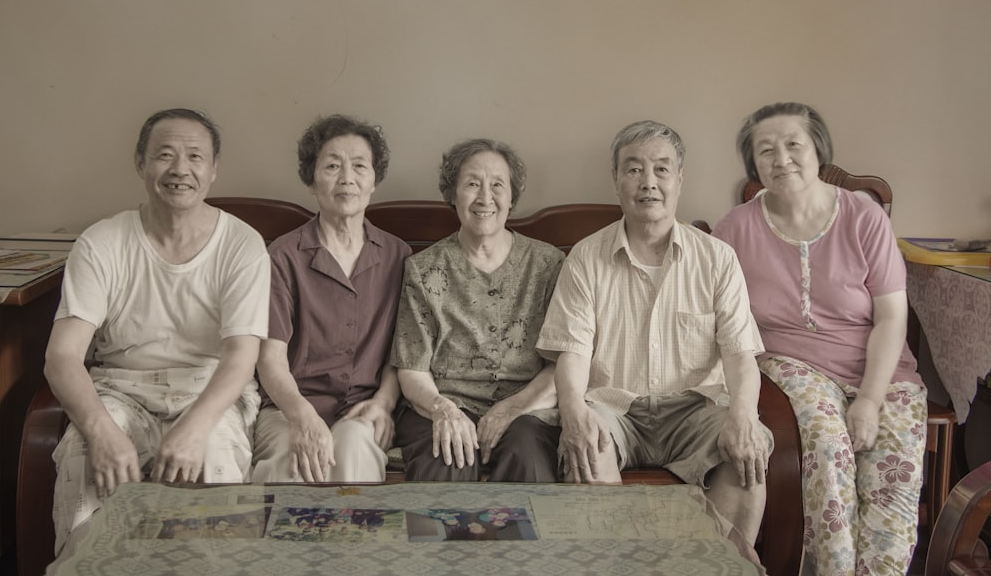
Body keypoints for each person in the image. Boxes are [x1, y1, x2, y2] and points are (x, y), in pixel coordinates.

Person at [44, 108, 270, 557]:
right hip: (119, 391)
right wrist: (101, 430)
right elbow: (63, 357)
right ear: (141, 163)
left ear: (213, 169)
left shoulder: (242, 244)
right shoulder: (102, 241)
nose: (180, 169)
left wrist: (194, 428)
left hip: (207, 393)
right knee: (84, 458)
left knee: (217, 469)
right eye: (164, 155)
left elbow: (241, 357)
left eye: (194, 157)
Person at [713, 102, 926, 575]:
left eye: (794, 144)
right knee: (828, 454)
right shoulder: (735, 229)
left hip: (881, 369)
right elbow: (722, 318)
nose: (781, 158)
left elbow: (892, 317)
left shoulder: (864, 217)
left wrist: (869, 401)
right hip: (792, 363)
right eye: (765, 150)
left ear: (818, 150)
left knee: (894, 481)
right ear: (753, 164)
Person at [535, 120, 771, 546]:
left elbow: (739, 356)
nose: (649, 183)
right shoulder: (586, 258)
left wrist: (744, 416)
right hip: (615, 410)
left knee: (745, 456)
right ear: (616, 180)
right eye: (634, 169)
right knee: (586, 448)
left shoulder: (717, 258)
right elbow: (573, 353)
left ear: (680, 179)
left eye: (662, 169)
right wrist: (572, 411)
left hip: (696, 411)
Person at [390, 138, 564, 482]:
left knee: (527, 459)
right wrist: (444, 411)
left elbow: (561, 364)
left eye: (497, 184)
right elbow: (412, 368)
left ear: (512, 196)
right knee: (447, 460)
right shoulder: (423, 270)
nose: (485, 197)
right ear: (452, 195)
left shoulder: (547, 264)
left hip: (526, 407)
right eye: (472, 184)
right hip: (439, 405)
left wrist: (512, 408)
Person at [251, 114, 411, 483]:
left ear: (374, 179)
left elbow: (402, 352)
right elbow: (271, 358)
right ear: (311, 180)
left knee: (354, 442)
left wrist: (384, 404)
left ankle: (358, 542)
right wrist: (303, 418)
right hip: (289, 408)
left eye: (359, 166)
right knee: (297, 458)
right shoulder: (284, 255)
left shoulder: (398, 256)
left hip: (364, 407)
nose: (347, 178)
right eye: (332, 166)